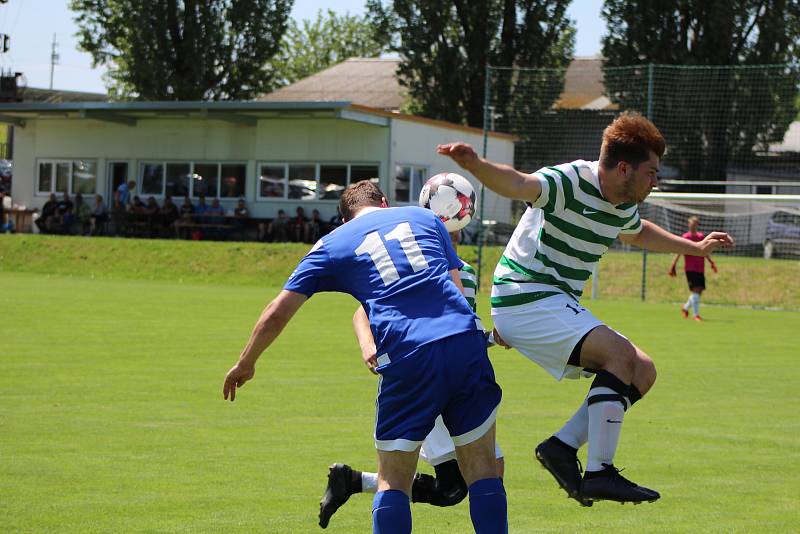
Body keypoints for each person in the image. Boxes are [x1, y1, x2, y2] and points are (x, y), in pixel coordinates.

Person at [438, 111, 734, 505]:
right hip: (523, 296)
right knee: (620, 356)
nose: (656, 181)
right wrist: (475, 165)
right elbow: (519, 182)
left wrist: (693, 246)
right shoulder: (571, 180)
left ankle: (561, 448)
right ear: (623, 168)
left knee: (642, 370)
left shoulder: (622, 201)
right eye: (652, 172)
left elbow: (638, 231)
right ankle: (599, 472)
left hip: (551, 301)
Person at [222, 181, 506, 534]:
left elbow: (277, 313)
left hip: (409, 353)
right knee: (484, 469)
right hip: (464, 343)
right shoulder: (425, 218)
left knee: (393, 480)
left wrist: (246, 362)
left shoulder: (332, 244)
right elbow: (457, 292)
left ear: (343, 220)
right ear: (384, 203)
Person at [318, 229, 505, 529]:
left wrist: (491, 339)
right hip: (437, 375)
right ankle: (353, 481)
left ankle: (351, 481)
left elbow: (458, 330)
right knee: (480, 473)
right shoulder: (427, 265)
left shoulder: (460, 269)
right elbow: (363, 311)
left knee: (458, 484)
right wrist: (368, 347)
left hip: (445, 368)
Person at [668, 216, 717, 321]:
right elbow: (679, 252)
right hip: (690, 268)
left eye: (695, 224)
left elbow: (705, 250)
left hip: (700, 268)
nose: (694, 226)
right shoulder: (685, 237)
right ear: (689, 225)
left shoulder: (700, 237)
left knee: (698, 292)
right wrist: (673, 265)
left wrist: (711, 262)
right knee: (696, 290)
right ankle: (696, 315)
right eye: (692, 224)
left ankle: (685, 308)